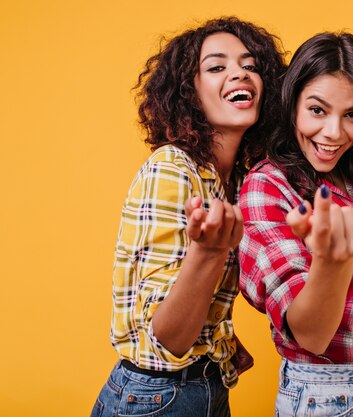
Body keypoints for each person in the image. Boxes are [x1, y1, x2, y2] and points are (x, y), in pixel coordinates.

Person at [91, 17, 285, 417]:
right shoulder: (172, 169)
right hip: (155, 399)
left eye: (250, 66)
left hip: (204, 389)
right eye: (217, 67)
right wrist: (210, 254)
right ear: (188, 94)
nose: (239, 73)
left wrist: (221, 341)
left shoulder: (236, 181)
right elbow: (169, 339)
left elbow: (188, 313)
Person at [238, 32, 353, 416]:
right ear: (291, 104)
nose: (334, 133)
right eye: (318, 110)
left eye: (352, 115)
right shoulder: (267, 187)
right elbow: (309, 335)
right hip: (327, 397)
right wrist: (333, 261)